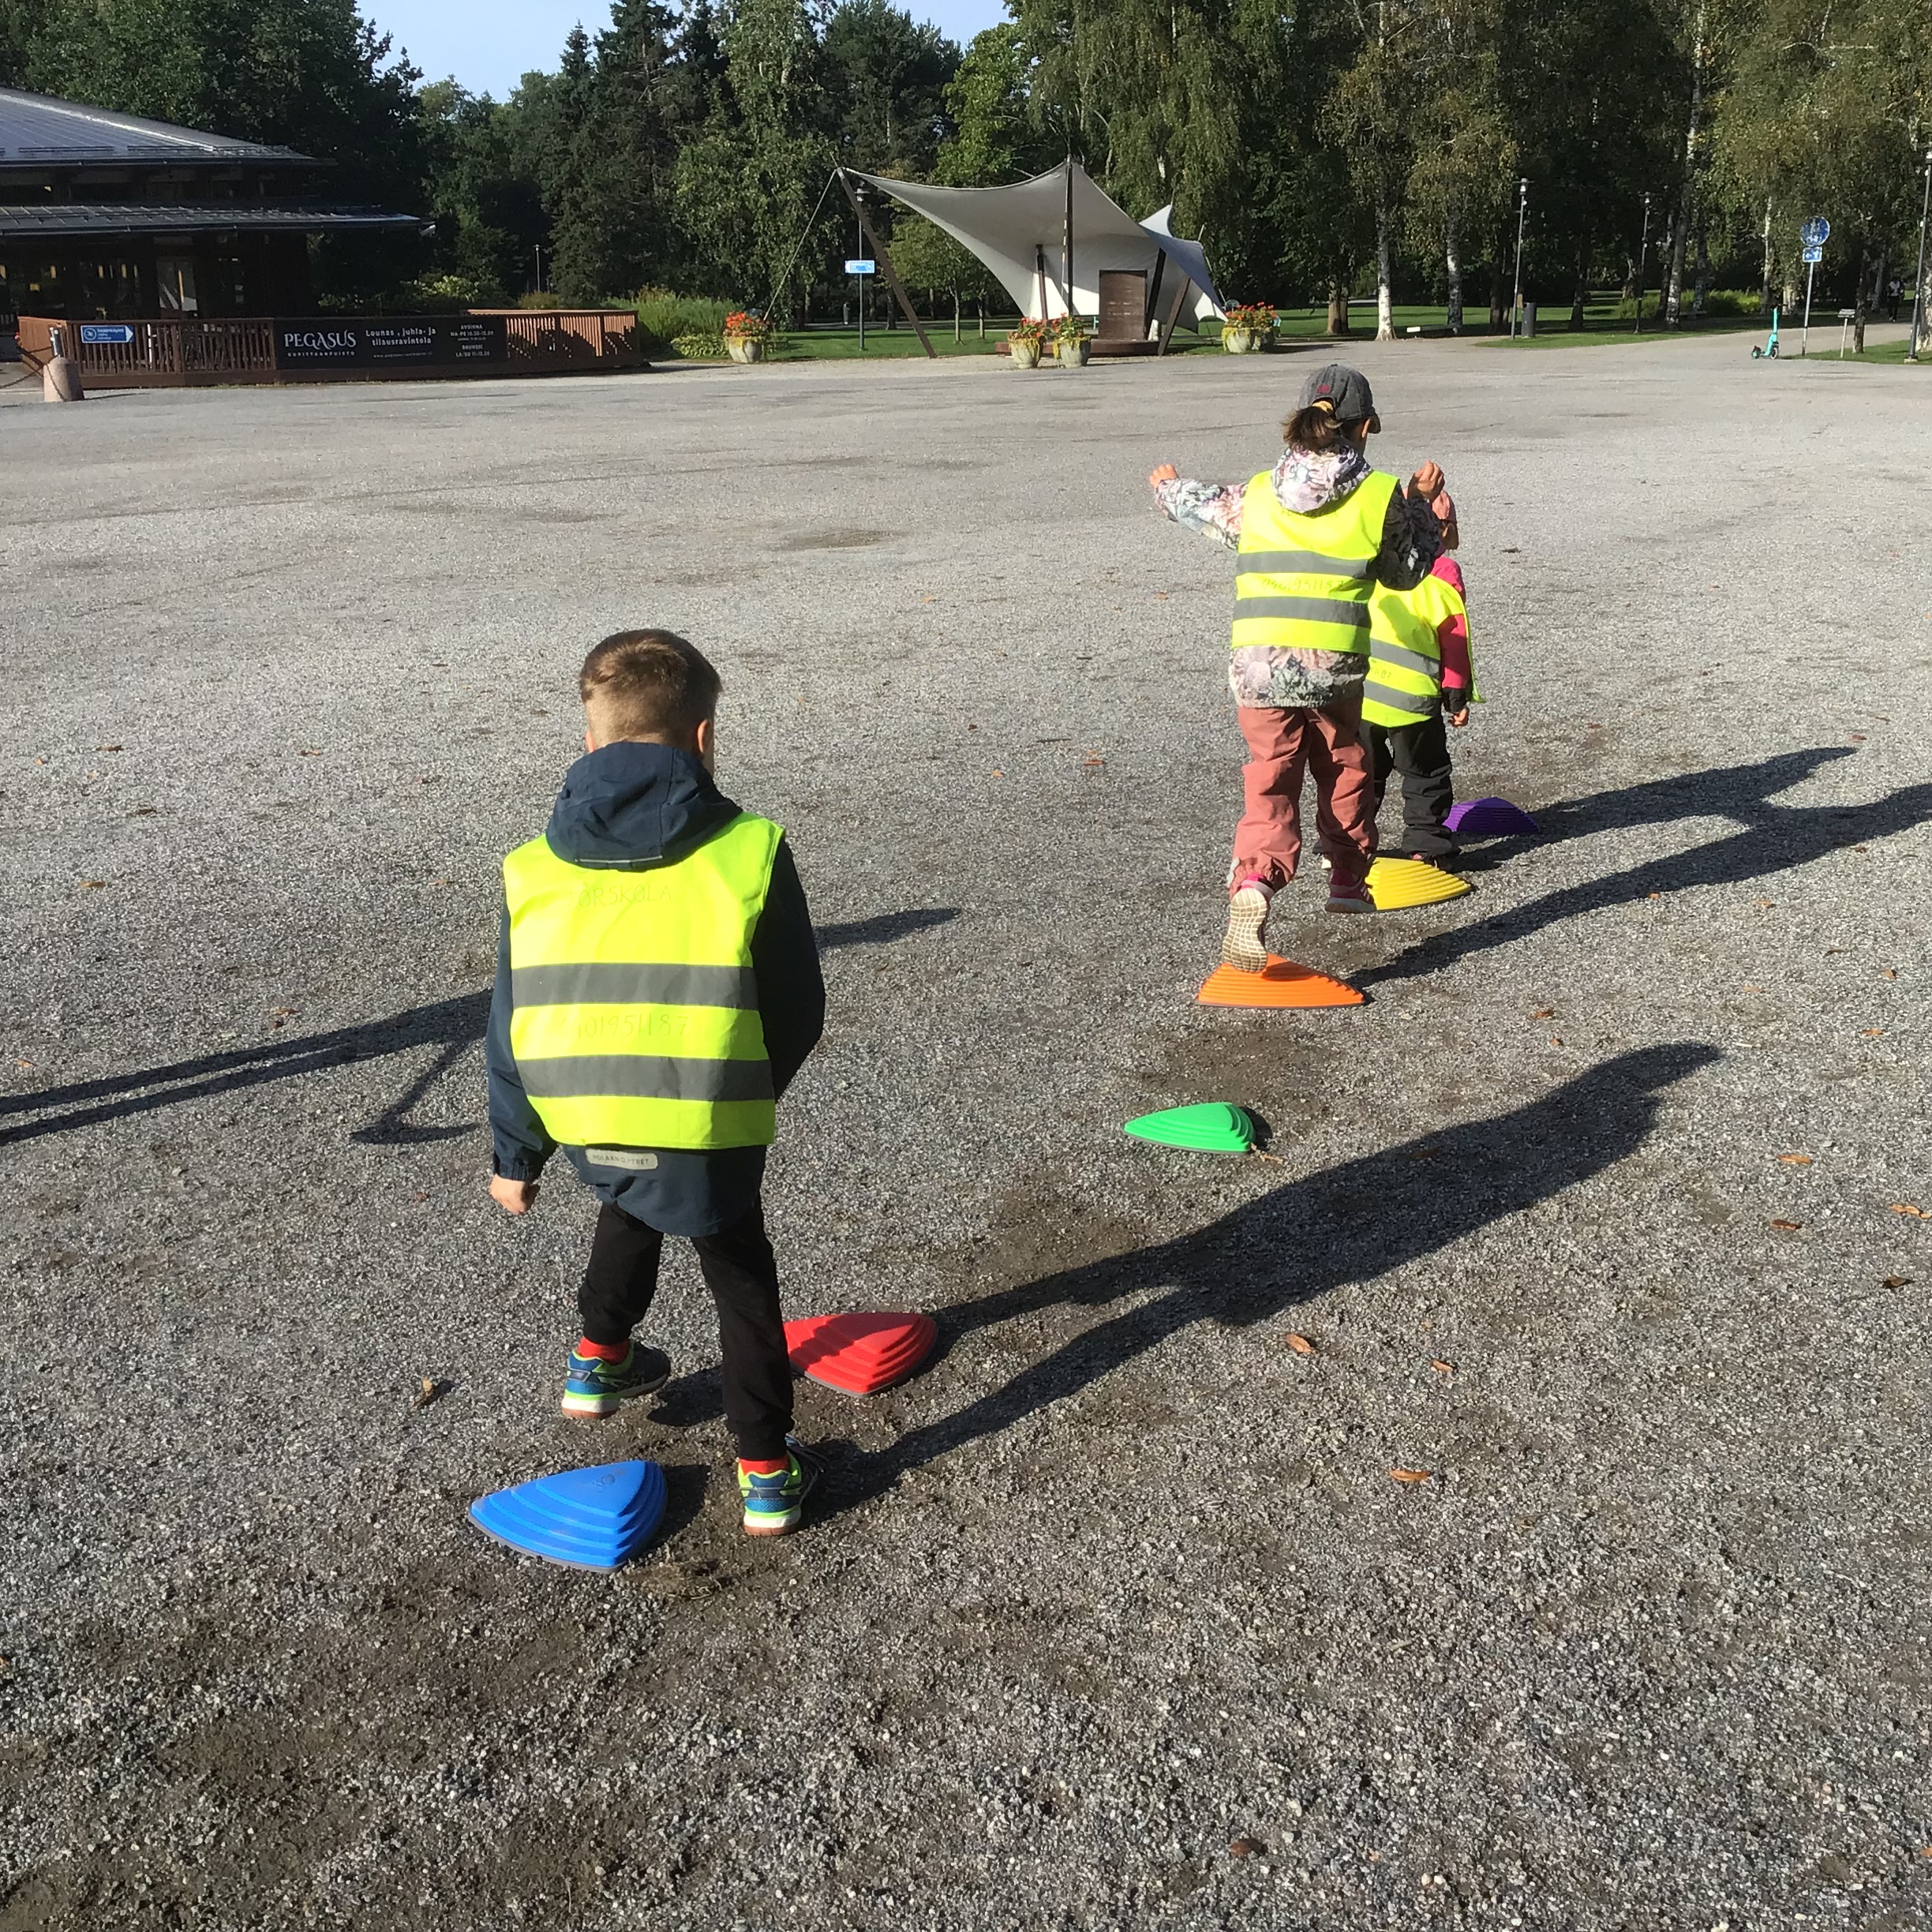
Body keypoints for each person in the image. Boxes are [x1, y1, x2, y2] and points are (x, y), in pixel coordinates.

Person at [485, 629, 827, 1538]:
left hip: (588, 1112)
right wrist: (737, 1089)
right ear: (704, 737)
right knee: (741, 1278)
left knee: (631, 1199)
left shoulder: (532, 866)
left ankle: (597, 1361)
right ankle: (766, 1469)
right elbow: (797, 1005)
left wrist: (516, 1154)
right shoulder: (749, 850)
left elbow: (510, 1019)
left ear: (590, 739)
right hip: (707, 1111)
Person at [1150, 363, 1446, 969]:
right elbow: (1409, 571)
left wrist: (1168, 487)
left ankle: (1256, 881)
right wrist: (1420, 506)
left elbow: (1201, 505)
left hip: (1258, 668)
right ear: (1365, 427)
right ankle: (1347, 878)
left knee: (1271, 775)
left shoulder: (1259, 493)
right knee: (1344, 765)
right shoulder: (1379, 496)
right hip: (1333, 665)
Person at [1362, 487, 1476, 867]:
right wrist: (1456, 696)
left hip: (1363, 693)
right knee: (1426, 772)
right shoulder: (1444, 574)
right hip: (1412, 698)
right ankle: (1426, 843)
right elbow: (1452, 641)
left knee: (1360, 770)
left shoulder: (1375, 563)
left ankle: (1344, 843)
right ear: (1443, 529)